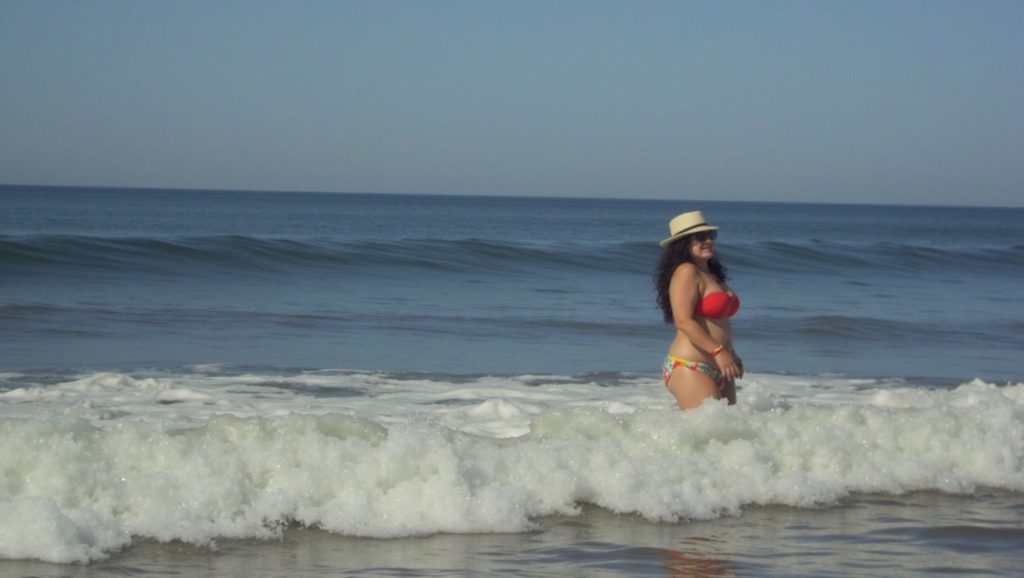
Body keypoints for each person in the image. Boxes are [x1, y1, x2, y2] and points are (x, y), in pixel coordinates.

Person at [654, 211, 742, 409]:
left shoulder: (711, 274)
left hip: (721, 365)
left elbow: (720, 322)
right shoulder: (686, 271)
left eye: (711, 235)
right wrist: (719, 351)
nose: (708, 240)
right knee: (713, 425)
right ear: (683, 243)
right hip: (690, 366)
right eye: (701, 237)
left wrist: (731, 353)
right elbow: (683, 321)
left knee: (729, 426)